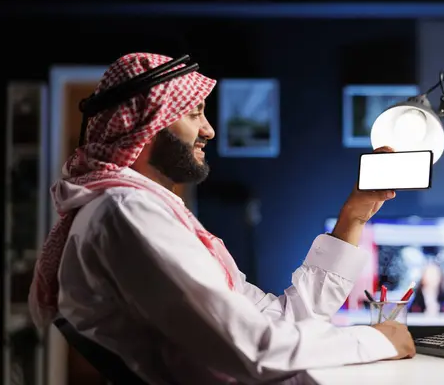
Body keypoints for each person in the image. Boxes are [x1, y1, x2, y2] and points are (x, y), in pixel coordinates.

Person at [28, 52, 415, 385]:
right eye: (194, 114)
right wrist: (378, 340)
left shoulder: (137, 210)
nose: (208, 130)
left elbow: (280, 321)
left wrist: (353, 218)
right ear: (147, 126)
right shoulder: (125, 212)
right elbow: (252, 349)